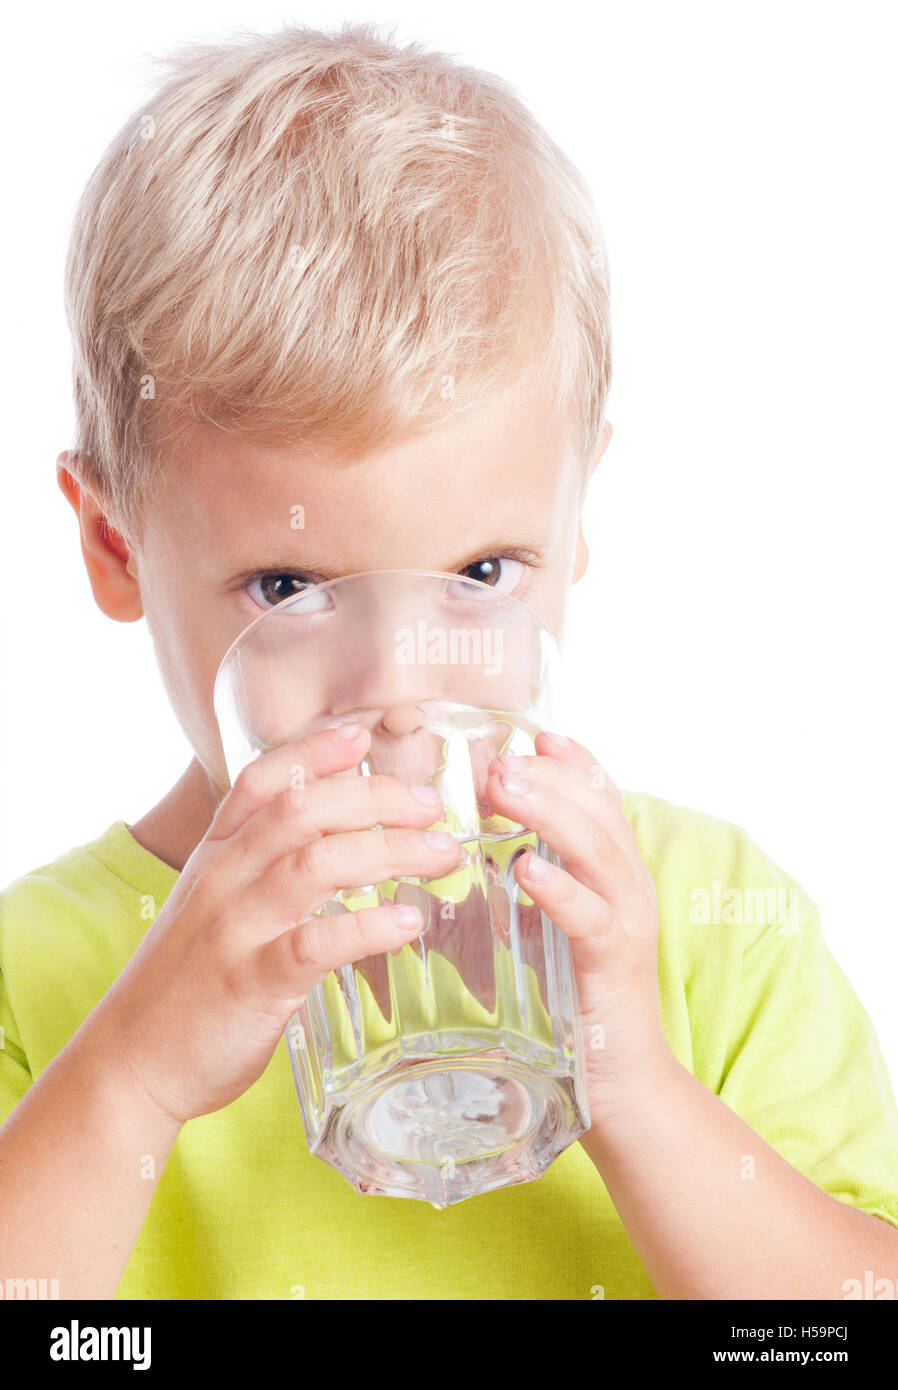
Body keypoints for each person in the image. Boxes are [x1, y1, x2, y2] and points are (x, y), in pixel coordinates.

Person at [2, 20, 897, 1301]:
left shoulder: (702, 924)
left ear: (574, 515)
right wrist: (132, 1080)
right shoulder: (40, 975)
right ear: (113, 545)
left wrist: (640, 1089)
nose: (400, 690)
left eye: (481, 573)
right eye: (291, 586)